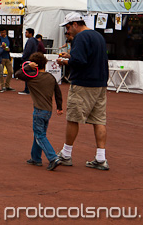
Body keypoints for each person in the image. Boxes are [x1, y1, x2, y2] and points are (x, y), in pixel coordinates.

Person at [56, 12, 110, 171]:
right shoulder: (98, 36)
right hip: (100, 83)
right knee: (99, 119)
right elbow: (89, 57)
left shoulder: (80, 37)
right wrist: (71, 55)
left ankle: (66, 154)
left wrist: (64, 61)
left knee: (73, 117)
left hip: (83, 83)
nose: (67, 31)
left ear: (75, 24)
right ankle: (101, 158)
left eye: (68, 27)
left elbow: (79, 61)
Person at [15, 52, 64, 171]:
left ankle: (53, 157)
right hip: (48, 110)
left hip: (38, 110)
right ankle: (36, 158)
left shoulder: (32, 77)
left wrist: (28, 67)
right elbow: (58, 93)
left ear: (33, 64)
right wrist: (59, 107)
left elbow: (18, 73)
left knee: (39, 135)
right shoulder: (50, 77)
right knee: (39, 134)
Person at [18, 28, 38, 95]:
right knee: (32, 74)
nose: (25, 34)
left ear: (30, 33)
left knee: (27, 74)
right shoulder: (35, 41)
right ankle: (31, 89)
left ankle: (27, 89)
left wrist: (23, 57)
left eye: (26, 32)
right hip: (32, 59)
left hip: (28, 59)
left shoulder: (30, 40)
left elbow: (28, 50)